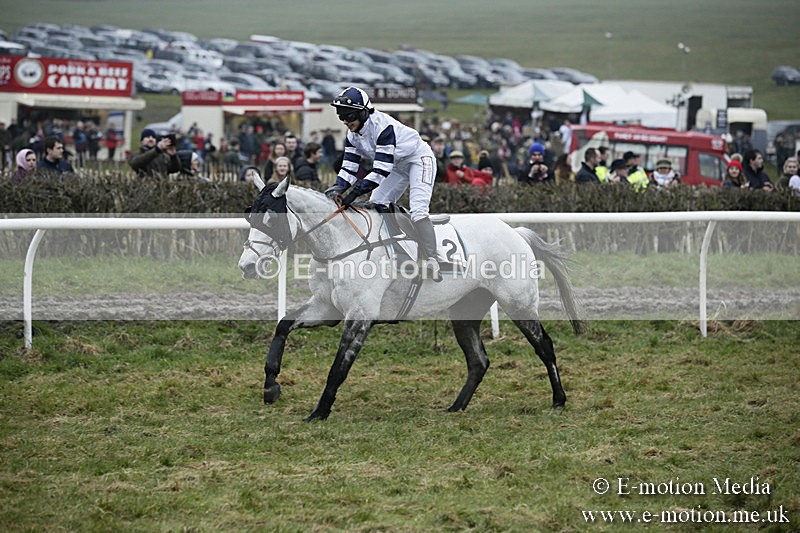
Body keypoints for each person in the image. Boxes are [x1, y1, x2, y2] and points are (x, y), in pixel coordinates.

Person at [325, 86, 441, 282]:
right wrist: (337, 189)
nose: (345, 120)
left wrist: (353, 194)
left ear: (363, 112)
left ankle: (432, 259)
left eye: (348, 114)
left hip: (418, 160)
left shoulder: (382, 127)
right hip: (395, 165)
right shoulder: (352, 135)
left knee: (419, 210)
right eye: (340, 115)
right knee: (377, 203)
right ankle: (398, 251)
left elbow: (380, 171)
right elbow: (348, 169)